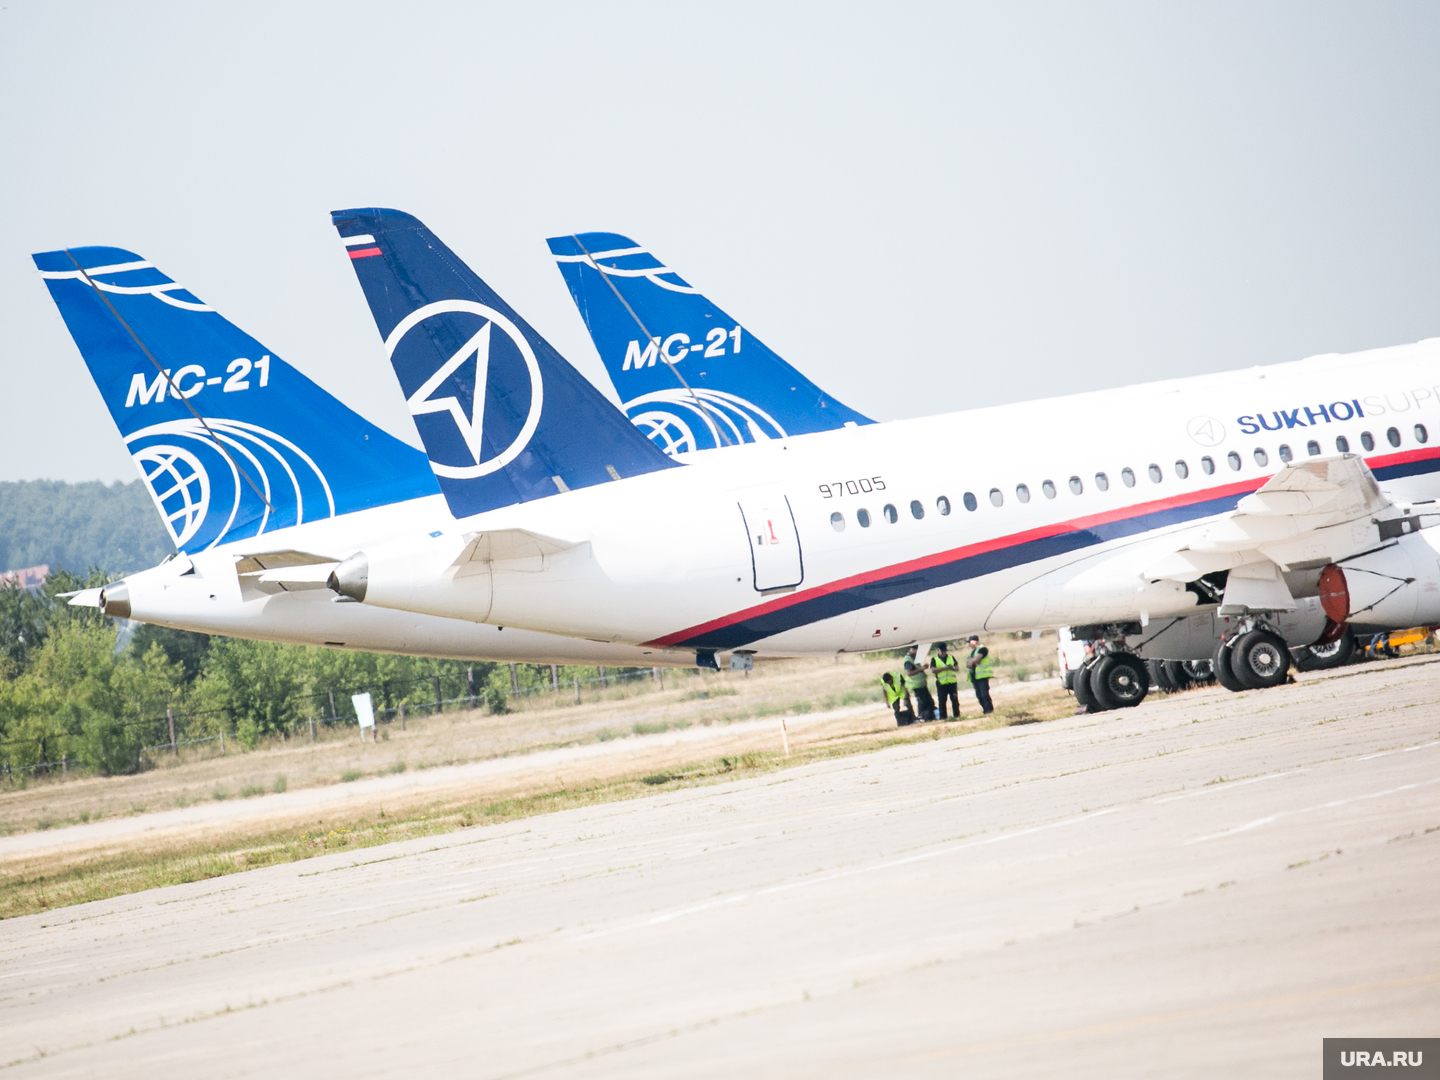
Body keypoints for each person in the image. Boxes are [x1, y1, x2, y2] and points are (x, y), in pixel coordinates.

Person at [966, 634, 995, 715]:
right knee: (979, 696)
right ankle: (985, 710)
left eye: (970, 642)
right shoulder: (972, 653)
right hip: (974, 677)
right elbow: (968, 664)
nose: (969, 644)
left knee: (984, 695)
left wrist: (973, 661)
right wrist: (973, 661)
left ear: (974, 641)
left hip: (982, 676)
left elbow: (976, 660)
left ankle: (989, 710)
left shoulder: (983, 649)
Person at [931, 642, 961, 719]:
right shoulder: (934, 659)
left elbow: (957, 668)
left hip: (952, 682)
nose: (943, 653)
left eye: (944, 651)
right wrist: (944, 668)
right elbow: (933, 670)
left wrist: (952, 668)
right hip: (941, 683)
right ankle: (943, 717)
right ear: (938, 650)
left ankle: (957, 715)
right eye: (942, 651)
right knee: (942, 701)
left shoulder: (951, 657)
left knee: (954, 700)